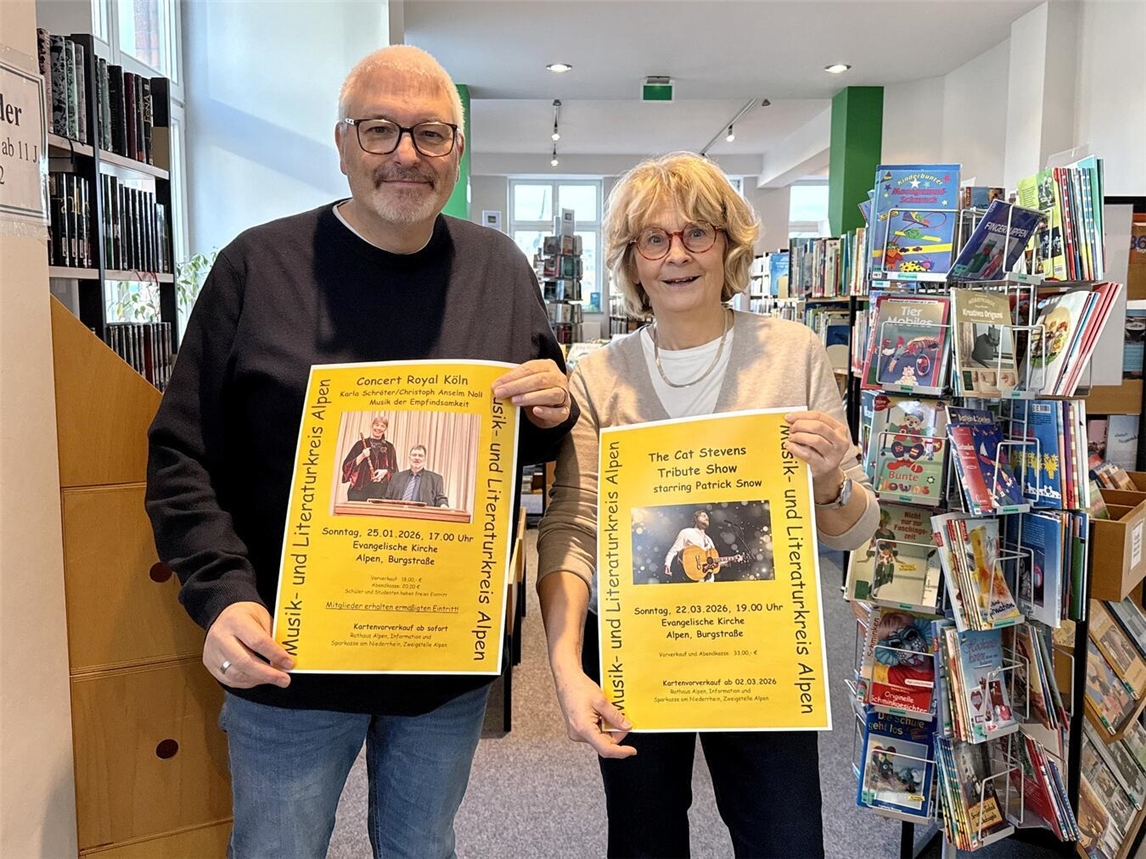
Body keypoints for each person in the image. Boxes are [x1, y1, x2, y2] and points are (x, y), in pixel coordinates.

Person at [145, 45, 576, 859]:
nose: (406, 154)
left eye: (431, 133)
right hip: (288, 659)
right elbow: (180, 454)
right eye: (380, 131)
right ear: (342, 144)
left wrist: (556, 408)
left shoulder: (500, 270)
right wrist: (222, 594)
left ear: (456, 151)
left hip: (443, 662)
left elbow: (534, 428)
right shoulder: (256, 268)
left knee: (424, 847)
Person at [536, 151, 879, 858]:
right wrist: (567, 668)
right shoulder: (596, 376)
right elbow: (572, 529)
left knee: (785, 840)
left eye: (698, 233)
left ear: (729, 246)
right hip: (638, 647)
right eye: (653, 239)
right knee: (644, 840)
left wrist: (827, 484)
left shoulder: (793, 353)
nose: (676, 255)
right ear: (631, 263)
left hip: (762, 648)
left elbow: (855, 527)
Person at [341, 415, 399, 501]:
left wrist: (385, 472)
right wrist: (362, 456)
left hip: (380, 492)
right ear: (372, 426)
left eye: (382, 426)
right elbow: (346, 468)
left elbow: (395, 472)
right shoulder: (359, 445)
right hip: (358, 491)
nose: (379, 428)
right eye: (377, 425)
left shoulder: (389, 447)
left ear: (385, 429)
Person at [662, 510, 715, 582]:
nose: (706, 518)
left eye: (707, 517)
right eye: (703, 516)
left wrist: (728, 561)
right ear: (695, 519)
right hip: (692, 578)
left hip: (708, 581)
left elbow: (713, 561)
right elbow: (674, 550)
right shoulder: (686, 532)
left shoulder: (709, 540)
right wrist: (667, 564)